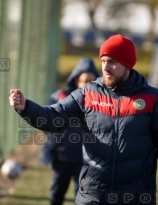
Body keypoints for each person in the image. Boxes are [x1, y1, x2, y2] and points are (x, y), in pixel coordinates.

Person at [10, 34, 158, 205]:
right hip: (93, 196)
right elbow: (54, 117)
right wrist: (26, 108)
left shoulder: (153, 98)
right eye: (103, 61)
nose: (106, 67)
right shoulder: (88, 94)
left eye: (112, 62)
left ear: (127, 64)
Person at [39, 57, 99, 205]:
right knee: (56, 194)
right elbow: (44, 118)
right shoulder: (61, 97)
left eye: (91, 81)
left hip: (86, 162)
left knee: (83, 199)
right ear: (76, 80)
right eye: (84, 80)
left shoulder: (101, 102)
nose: (87, 84)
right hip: (62, 159)